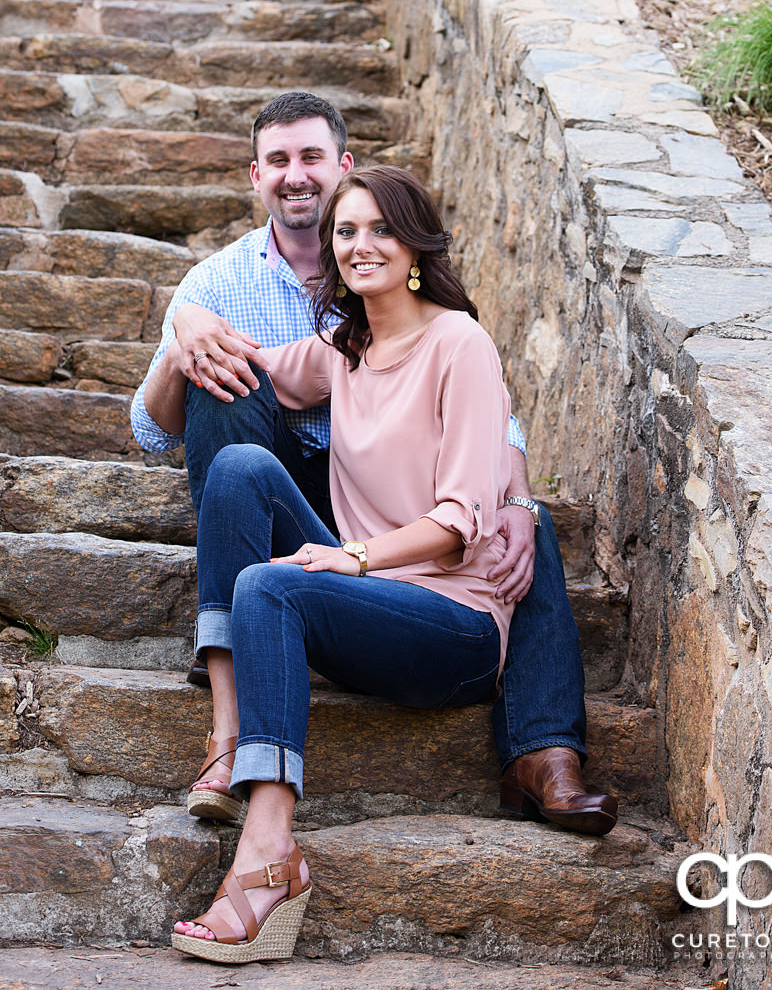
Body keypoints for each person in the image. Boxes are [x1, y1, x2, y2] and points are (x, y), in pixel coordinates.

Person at [131, 93, 615, 844]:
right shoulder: (337, 346)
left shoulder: (458, 342)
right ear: (257, 176)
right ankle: (230, 733)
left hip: (440, 602)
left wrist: (512, 504)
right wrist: (183, 327)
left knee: (533, 518)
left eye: (381, 230)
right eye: (349, 233)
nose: (361, 245)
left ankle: (544, 751)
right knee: (237, 467)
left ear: (414, 245)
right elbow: (223, 381)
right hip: (352, 556)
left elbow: (466, 503)